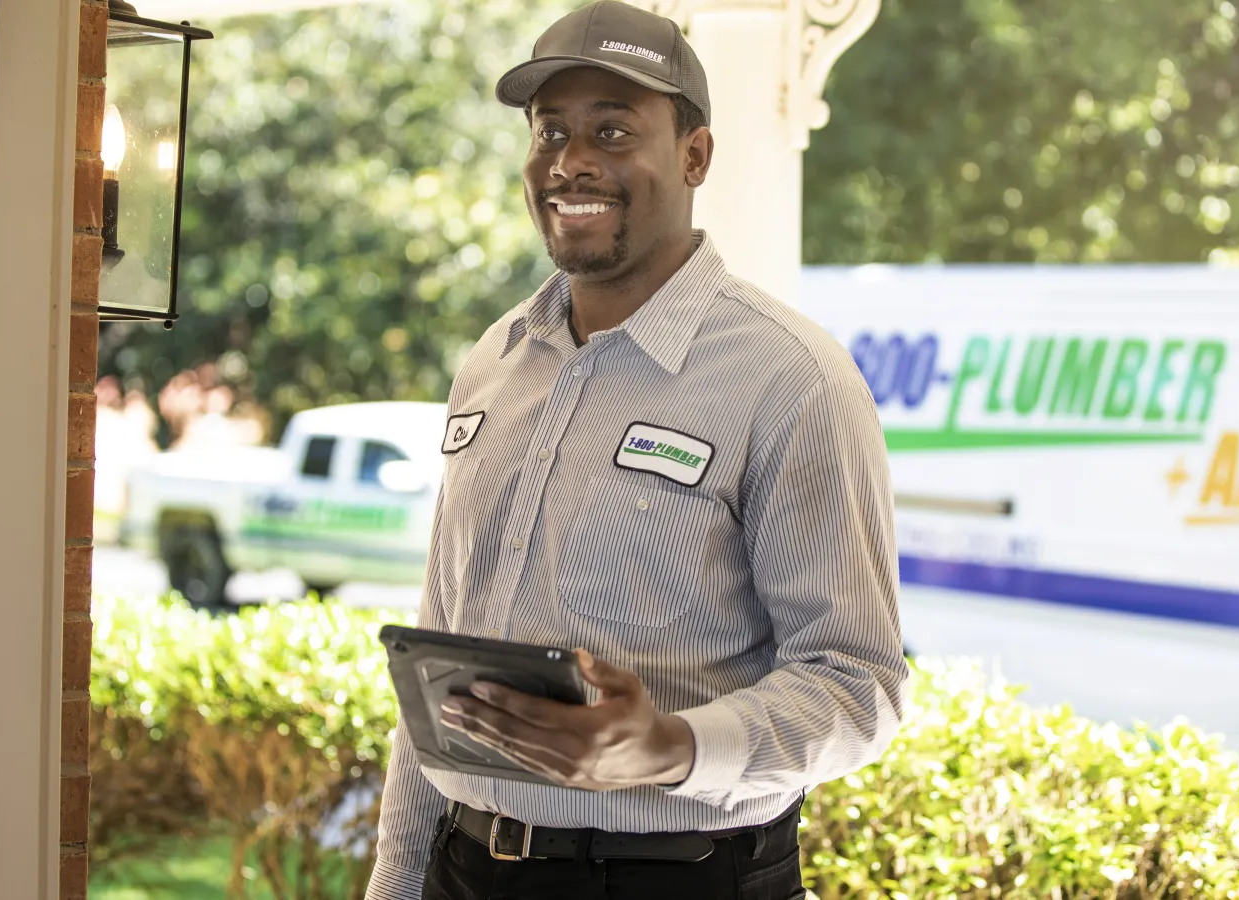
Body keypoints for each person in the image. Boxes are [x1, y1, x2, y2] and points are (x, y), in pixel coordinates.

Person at [363, 2, 908, 898]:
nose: (570, 162)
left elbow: (858, 688)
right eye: (550, 133)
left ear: (694, 156)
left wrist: (670, 748)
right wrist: (395, 883)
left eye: (612, 131)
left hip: (681, 878)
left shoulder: (794, 380)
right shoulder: (493, 364)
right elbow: (439, 665)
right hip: (467, 869)